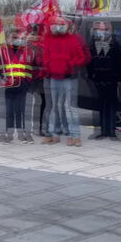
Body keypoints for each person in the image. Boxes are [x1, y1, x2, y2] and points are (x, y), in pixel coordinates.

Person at [41, 16, 90, 147]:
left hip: (69, 77)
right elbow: (45, 55)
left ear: (66, 26)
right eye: (55, 24)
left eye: (61, 24)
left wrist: (71, 65)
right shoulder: (48, 39)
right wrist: (48, 64)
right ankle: (53, 133)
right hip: (54, 77)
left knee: (70, 107)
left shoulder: (73, 38)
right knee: (55, 107)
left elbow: (82, 57)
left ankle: (75, 135)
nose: (58, 26)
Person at [86, 21, 121, 141]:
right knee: (102, 105)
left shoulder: (116, 42)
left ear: (109, 30)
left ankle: (112, 132)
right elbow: (90, 61)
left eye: (104, 29)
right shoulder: (93, 42)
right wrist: (91, 75)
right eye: (99, 29)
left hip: (112, 77)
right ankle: (103, 131)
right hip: (98, 78)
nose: (102, 31)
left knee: (112, 105)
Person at [0, 28, 36, 144]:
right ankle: (7, 134)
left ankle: (23, 134)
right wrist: (1, 79)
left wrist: (29, 84)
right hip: (7, 87)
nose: (17, 40)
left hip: (24, 86)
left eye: (19, 38)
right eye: (14, 37)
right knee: (7, 111)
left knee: (22, 111)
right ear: (7, 39)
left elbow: (35, 69)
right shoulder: (1, 51)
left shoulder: (30, 51)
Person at [27, 23, 47, 137]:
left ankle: (35, 127)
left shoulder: (29, 43)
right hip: (36, 75)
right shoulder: (31, 43)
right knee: (40, 102)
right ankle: (36, 127)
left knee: (38, 102)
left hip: (37, 75)